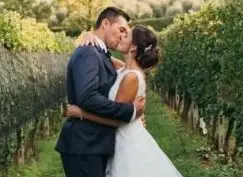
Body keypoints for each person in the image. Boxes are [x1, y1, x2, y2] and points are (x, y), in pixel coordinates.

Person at [66, 25, 184, 177]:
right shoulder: (124, 69)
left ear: (133, 47)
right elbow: (102, 54)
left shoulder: (130, 77)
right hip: (121, 138)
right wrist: (89, 35)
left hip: (127, 142)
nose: (121, 36)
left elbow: (117, 120)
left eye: (126, 36)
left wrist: (81, 113)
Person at [55, 7, 147, 177]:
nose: (122, 36)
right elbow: (88, 97)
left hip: (94, 145)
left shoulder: (100, 53)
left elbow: (124, 70)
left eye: (126, 34)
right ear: (105, 23)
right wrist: (130, 111)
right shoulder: (89, 52)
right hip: (84, 145)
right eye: (121, 30)